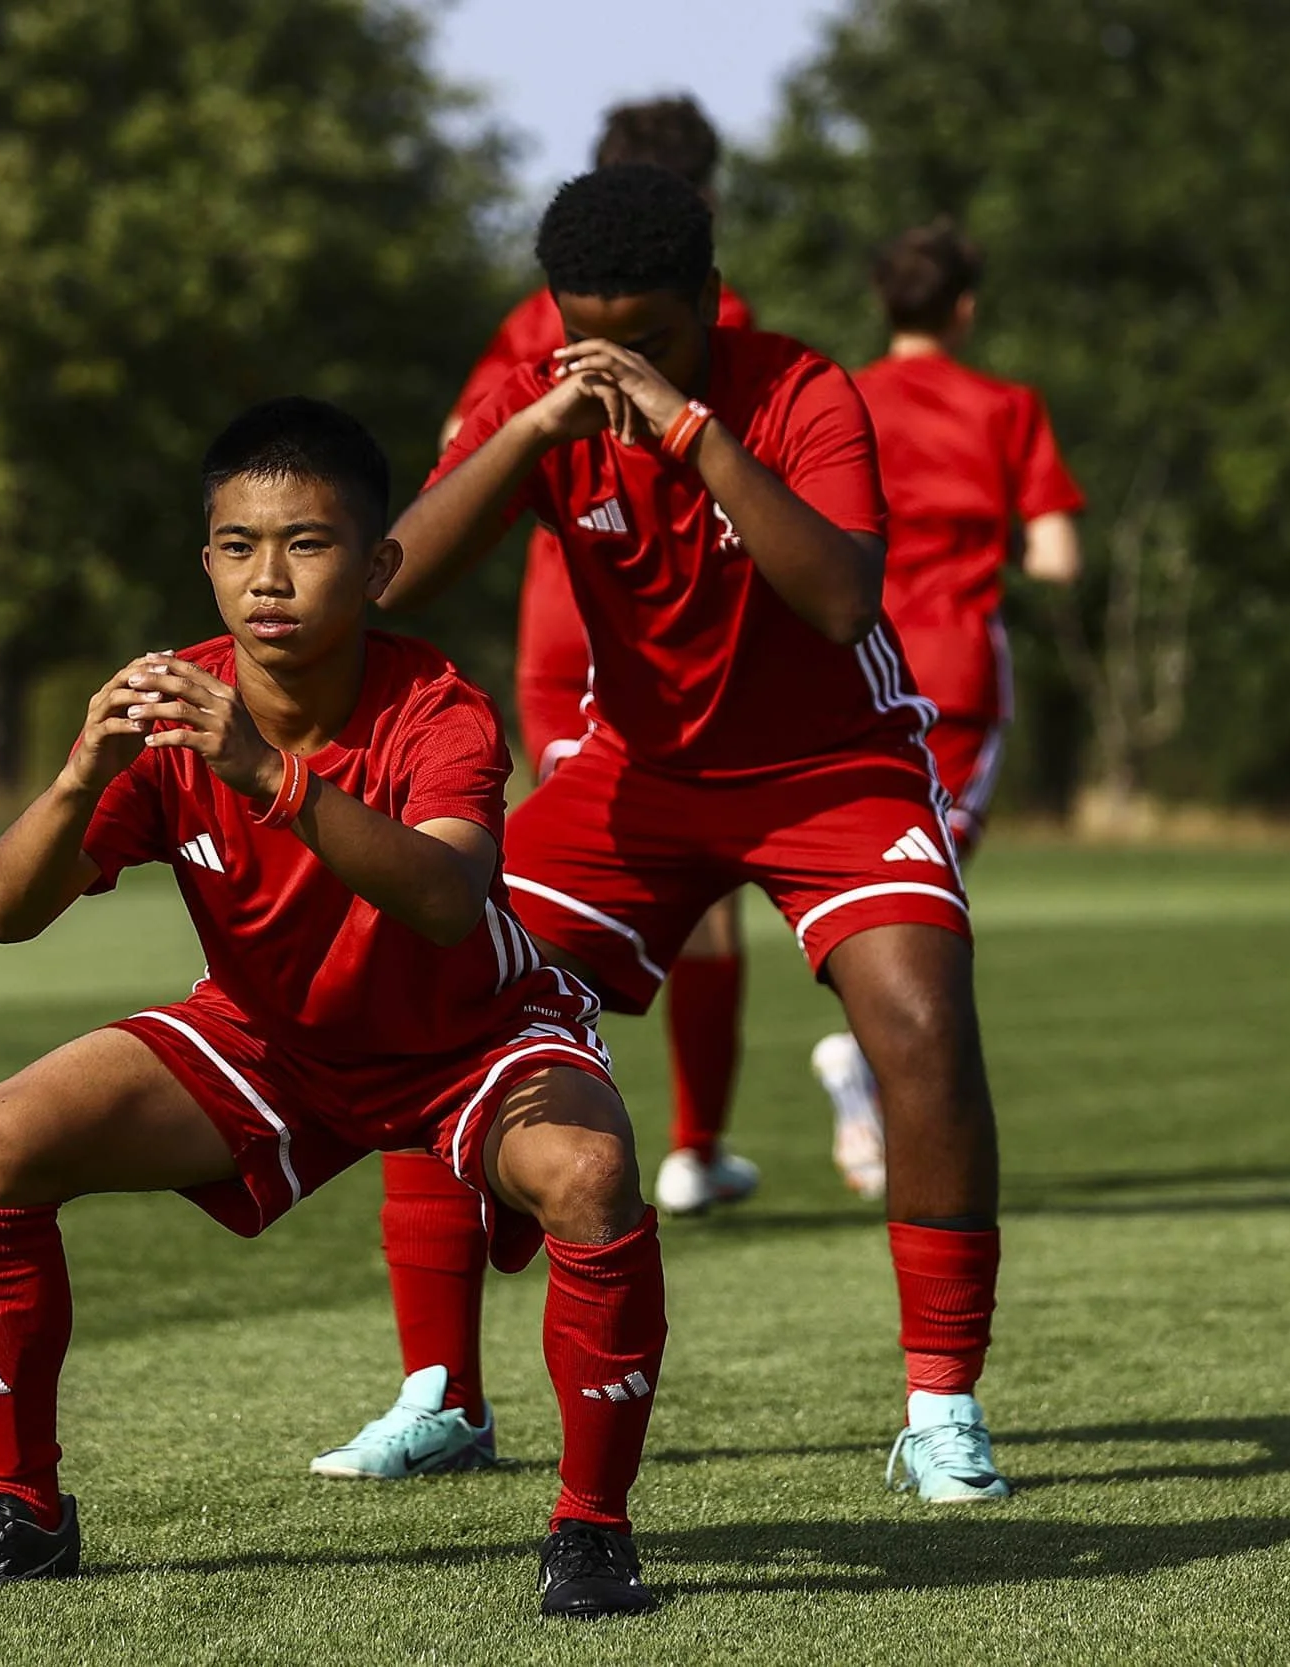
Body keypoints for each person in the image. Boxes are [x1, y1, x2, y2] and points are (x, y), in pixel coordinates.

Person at [0, 398, 668, 1619]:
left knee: (590, 1173)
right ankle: (21, 1512)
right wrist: (81, 775)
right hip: (274, 1040)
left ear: (378, 565)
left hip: (474, 1039)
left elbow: (448, 900)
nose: (268, 576)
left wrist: (270, 777)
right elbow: (5, 911)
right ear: (207, 561)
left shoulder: (438, 705)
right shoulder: (175, 707)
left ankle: (593, 1528)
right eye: (238, 545)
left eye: (307, 542)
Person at [371, 165, 1015, 1504]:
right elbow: (392, 580)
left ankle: (942, 1406)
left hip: (834, 768)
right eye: (587, 336)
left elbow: (841, 600)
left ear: (710, 303)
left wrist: (691, 432)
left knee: (921, 1020)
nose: (615, 366)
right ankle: (442, 1394)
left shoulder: (801, 390)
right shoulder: (542, 400)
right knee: (432, 981)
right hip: (640, 775)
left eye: (650, 339)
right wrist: (526, 431)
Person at [312, 98, 755, 1490]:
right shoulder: (552, 334)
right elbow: (463, 484)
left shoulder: (734, 343)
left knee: (500, 955)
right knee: (450, 958)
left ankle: (654, 1155)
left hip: (694, 698)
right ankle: (451, 1367)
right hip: (590, 666)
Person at [443, 95, 762, 1218]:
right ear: (702, 199)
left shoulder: (538, 315)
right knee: (687, 890)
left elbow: (457, 444)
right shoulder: (704, 313)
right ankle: (666, 1147)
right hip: (639, 637)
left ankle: (538, 1135)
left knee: (550, 900)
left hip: (554, 623)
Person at [812, 220, 1085, 1199]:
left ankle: (868, 1074)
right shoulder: (1007, 406)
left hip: (846, 661)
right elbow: (1056, 557)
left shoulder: (833, 396)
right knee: (927, 882)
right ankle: (869, 1066)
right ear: (964, 308)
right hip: (956, 672)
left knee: (864, 868)